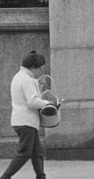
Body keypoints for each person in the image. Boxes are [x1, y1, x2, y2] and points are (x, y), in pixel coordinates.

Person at [1, 51, 52, 179]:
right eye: (40, 67)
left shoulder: (19, 76)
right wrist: (48, 103)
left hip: (21, 121)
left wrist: (38, 85)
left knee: (37, 152)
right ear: (33, 67)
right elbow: (32, 101)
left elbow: (29, 97)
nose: (41, 70)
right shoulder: (27, 80)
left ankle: (41, 176)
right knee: (25, 152)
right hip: (26, 121)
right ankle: (5, 176)